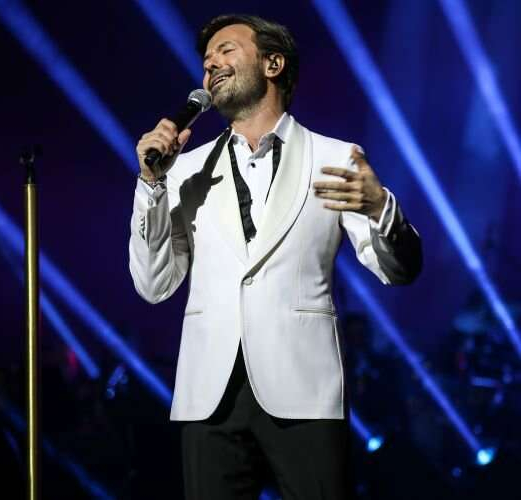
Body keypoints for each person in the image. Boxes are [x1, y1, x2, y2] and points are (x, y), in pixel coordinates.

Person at [128, 14, 422, 500]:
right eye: (206, 59)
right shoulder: (184, 171)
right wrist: (151, 185)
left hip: (304, 388)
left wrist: (379, 208)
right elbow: (153, 283)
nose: (210, 64)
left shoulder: (334, 157)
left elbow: (399, 270)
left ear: (273, 64)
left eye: (226, 50)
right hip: (210, 394)